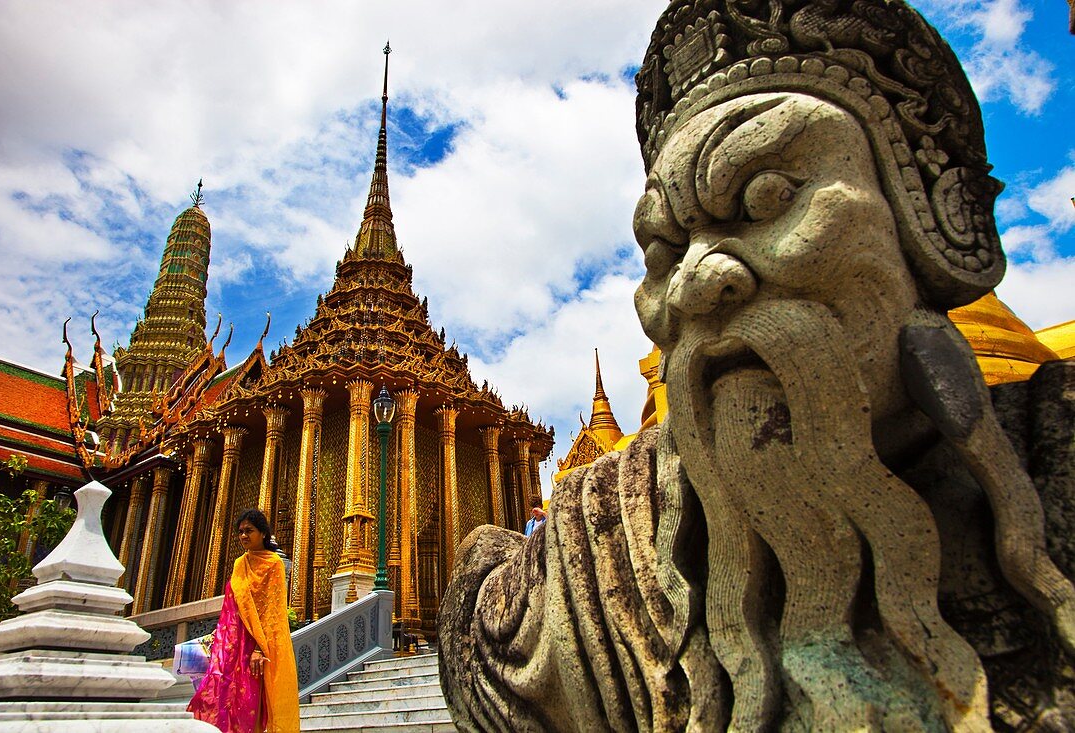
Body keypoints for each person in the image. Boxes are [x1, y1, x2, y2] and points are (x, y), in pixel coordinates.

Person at [438, 1, 1075, 730]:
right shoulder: (594, 559)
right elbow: (482, 626)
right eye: (664, 253)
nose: (693, 282)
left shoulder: (1058, 456)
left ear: (939, 218)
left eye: (766, 198)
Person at [188, 509, 300, 732]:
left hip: (256, 644)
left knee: (249, 700)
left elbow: (273, 610)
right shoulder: (240, 563)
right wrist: (219, 636)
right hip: (233, 642)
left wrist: (260, 648)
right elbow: (232, 608)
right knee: (225, 696)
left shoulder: (274, 564)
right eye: (240, 532)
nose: (243, 536)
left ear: (263, 534)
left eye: (249, 531)